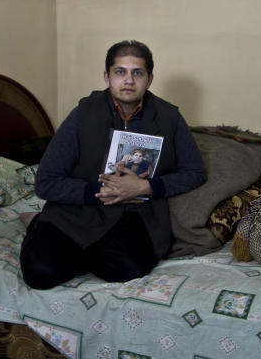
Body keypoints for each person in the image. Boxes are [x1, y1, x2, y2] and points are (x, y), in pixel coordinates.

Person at [20, 40, 206, 289]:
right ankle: (37, 224)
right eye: (120, 72)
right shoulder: (83, 114)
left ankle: (77, 252)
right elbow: (45, 182)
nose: (128, 81)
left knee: (129, 269)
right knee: (40, 273)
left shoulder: (170, 117)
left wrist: (145, 188)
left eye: (137, 73)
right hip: (77, 211)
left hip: (132, 216)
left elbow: (195, 172)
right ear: (107, 77)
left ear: (149, 79)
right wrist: (99, 193)